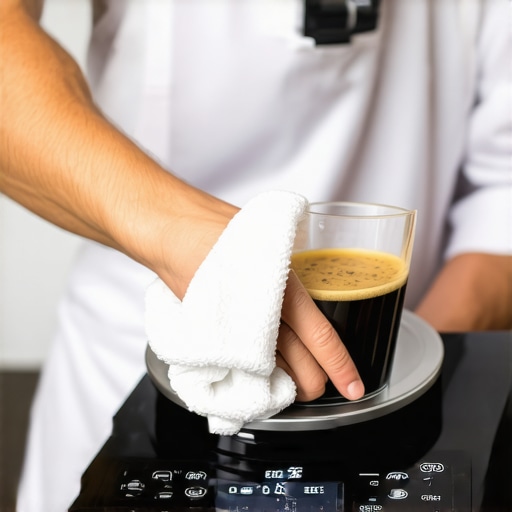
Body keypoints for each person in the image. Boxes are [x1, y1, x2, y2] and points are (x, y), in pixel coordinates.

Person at [0, 0, 510, 510]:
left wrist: (400, 385)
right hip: (124, 371)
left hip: (397, 407)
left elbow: (502, 192)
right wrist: (192, 235)